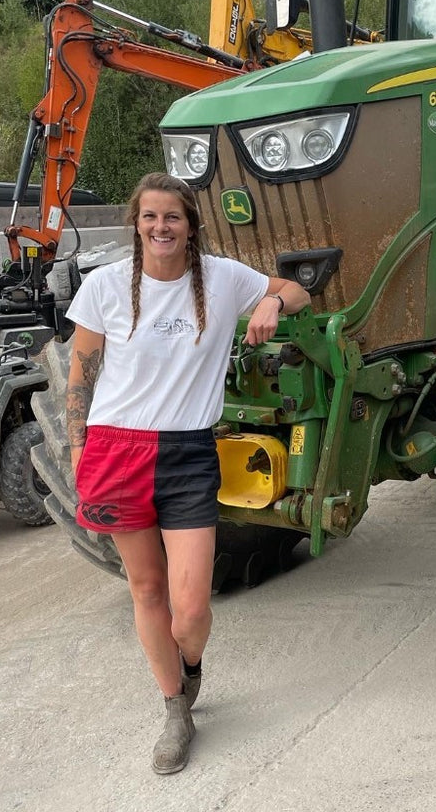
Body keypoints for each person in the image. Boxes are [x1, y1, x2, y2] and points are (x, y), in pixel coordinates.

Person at [64, 172, 311, 774]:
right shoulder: (104, 286)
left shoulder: (224, 279)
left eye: (171, 217)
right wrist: (79, 453)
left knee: (192, 606)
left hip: (188, 453)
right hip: (117, 448)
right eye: (149, 217)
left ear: (190, 224)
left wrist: (273, 303)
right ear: (136, 223)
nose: (160, 227)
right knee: (145, 590)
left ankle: (189, 668)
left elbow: (298, 290)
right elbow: (81, 375)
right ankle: (175, 707)